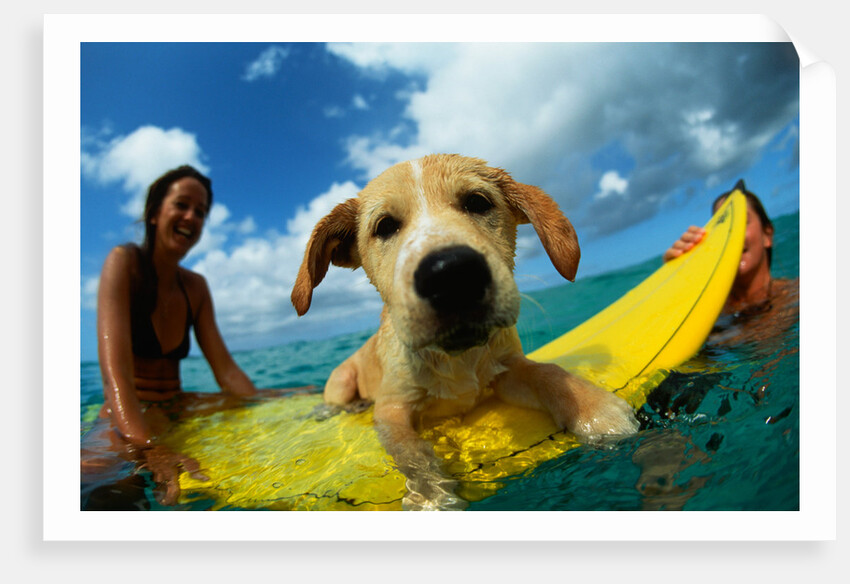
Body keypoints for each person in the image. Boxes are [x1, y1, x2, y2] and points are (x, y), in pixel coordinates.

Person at [85, 165, 261, 507]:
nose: (191, 216)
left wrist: (272, 401)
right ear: (154, 213)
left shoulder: (195, 288)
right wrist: (148, 448)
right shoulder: (124, 263)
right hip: (128, 412)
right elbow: (115, 378)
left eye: (200, 211)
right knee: (106, 484)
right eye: (181, 205)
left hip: (179, 408)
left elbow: (226, 372)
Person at [663, 179, 798, 331]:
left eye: (741, 221)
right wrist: (676, 282)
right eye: (723, 227)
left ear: (767, 235)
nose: (732, 234)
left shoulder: (796, 296)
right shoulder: (710, 316)